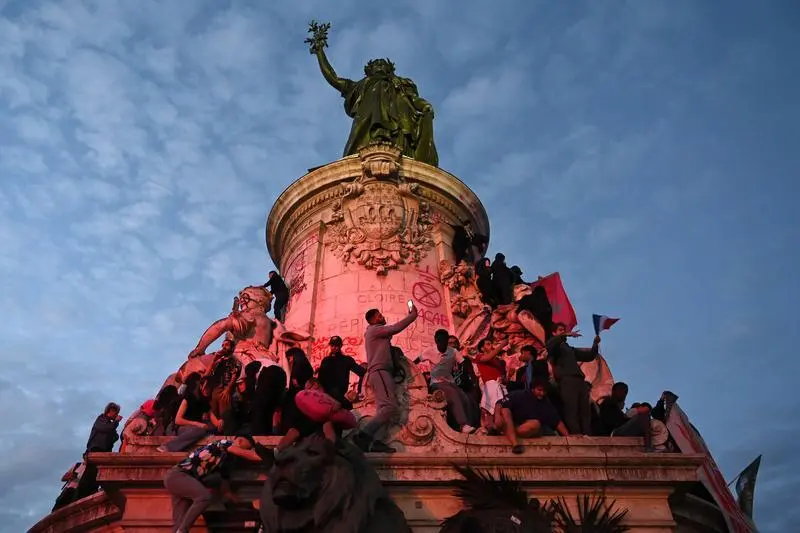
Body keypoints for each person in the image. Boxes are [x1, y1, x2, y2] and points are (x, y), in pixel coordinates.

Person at [163, 434, 265, 533]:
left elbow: (225, 487)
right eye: (247, 447)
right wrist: (269, 457)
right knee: (204, 497)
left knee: (179, 521)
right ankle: (182, 531)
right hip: (178, 476)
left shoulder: (223, 460)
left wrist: (237, 501)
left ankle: (180, 530)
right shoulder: (224, 443)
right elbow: (248, 454)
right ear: (240, 441)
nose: (247, 450)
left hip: (181, 480)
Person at [351, 303, 418, 453]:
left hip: (380, 373)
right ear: (373, 320)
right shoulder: (375, 330)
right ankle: (363, 436)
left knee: (384, 410)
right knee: (390, 407)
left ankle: (376, 442)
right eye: (379, 315)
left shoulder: (376, 333)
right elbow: (396, 328)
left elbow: (391, 332)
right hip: (381, 372)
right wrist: (412, 316)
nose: (382, 317)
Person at [415, 329, 477, 433]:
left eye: (444, 341)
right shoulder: (429, 351)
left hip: (450, 382)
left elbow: (463, 363)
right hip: (436, 383)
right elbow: (415, 361)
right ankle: (462, 424)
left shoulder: (453, 351)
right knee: (452, 393)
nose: (442, 343)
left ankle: (470, 425)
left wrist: (462, 371)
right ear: (436, 340)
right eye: (439, 341)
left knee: (464, 397)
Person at [547, 323, 599, 435]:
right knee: (571, 409)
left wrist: (595, 344)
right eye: (560, 330)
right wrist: (564, 335)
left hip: (579, 380)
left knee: (585, 410)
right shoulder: (555, 346)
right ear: (554, 333)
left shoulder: (569, 349)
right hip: (567, 379)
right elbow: (551, 345)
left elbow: (589, 356)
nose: (563, 332)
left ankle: (587, 433)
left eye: (564, 330)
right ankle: (576, 434)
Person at [497, 379, 568, 454]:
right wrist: (497, 416)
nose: (542, 393)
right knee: (505, 410)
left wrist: (568, 436)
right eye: (539, 390)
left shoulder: (546, 404)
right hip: (512, 422)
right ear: (533, 389)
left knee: (535, 423)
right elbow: (499, 403)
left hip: (527, 429)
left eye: (544, 391)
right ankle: (515, 444)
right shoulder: (519, 395)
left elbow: (557, 421)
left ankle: (507, 431)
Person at [160, 375, 221, 452]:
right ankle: (167, 447)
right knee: (199, 430)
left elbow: (214, 419)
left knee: (207, 431)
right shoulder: (189, 398)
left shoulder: (205, 402)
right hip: (176, 428)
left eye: (210, 388)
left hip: (192, 429)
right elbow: (178, 420)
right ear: (201, 386)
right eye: (207, 387)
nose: (208, 390)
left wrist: (220, 423)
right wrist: (197, 423)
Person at [597, 382, 653, 450]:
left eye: (626, 392)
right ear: (614, 391)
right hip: (613, 433)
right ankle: (649, 448)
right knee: (643, 417)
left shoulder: (614, 405)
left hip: (618, 430)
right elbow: (612, 423)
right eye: (622, 391)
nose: (624, 394)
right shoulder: (608, 403)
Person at [317, 336, 366, 408]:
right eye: (332, 345)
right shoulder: (326, 360)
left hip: (340, 394)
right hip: (327, 395)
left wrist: (360, 391)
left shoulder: (346, 360)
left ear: (340, 346)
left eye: (336, 345)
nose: (334, 347)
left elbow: (362, 373)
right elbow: (320, 378)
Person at [473, 339, 508, 432]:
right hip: (488, 384)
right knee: (492, 390)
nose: (491, 346)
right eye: (488, 344)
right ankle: (490, 424)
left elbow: (502, 376)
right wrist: (501, 345)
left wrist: (504, 378)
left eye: (491, 344)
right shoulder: (479, 356)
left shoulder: (497, 361)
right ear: (482, 348)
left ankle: (497, 425)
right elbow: (487, 358)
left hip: (499, 385)